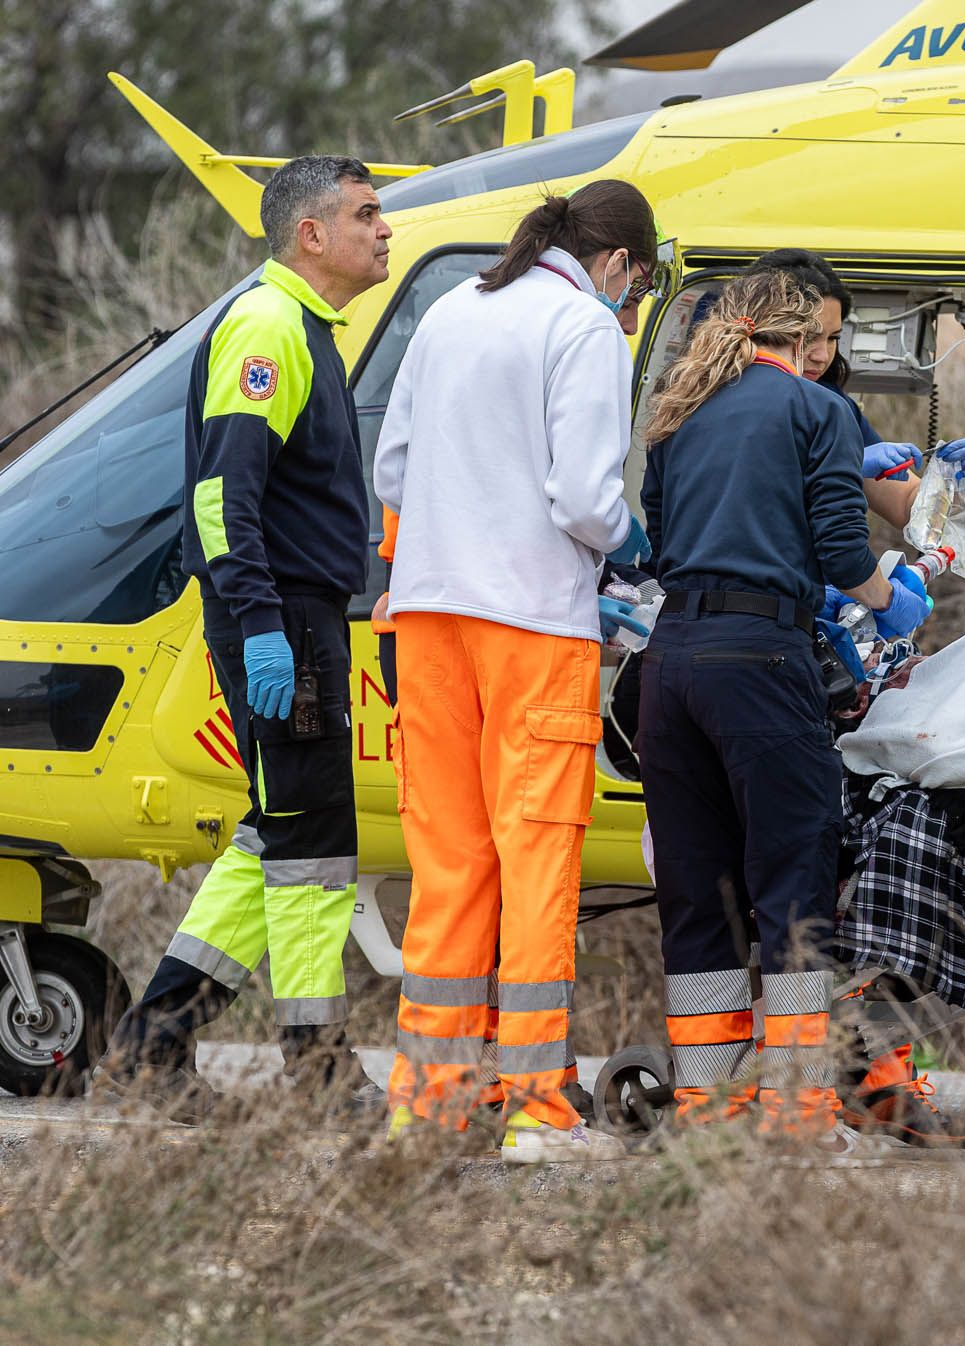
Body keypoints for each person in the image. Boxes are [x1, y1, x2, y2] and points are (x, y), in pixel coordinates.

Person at [96, 156, 392, 1122]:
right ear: (312, 235)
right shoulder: (268, 329)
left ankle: (151, 1046)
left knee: (277, 833)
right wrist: (263, 628)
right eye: (366, 214)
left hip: (296, 615)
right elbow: (224, 498)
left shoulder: (304, 326)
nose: (382, 230)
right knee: (314, 848)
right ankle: (315, 1066)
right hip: (283, 621)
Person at [372, 180, 656, 1163]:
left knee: (449, 862)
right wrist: (633, 542)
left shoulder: (453, 307)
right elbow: (584, 497)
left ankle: (429, 1096)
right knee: (538, 859)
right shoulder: (584, 327)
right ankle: (538, 1102)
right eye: (635, 289)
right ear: (619, 264)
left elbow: (394, 471)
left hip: (429, 622)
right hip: (532, 628)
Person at [636, 269, 930, 1154]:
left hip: (671, 668)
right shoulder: (817, 411)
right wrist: (889, 599)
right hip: (760, 664)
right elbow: (844, 550)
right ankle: (797, 1114)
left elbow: (655, 541)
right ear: (802, 340)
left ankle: (708, 1111)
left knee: (700, 895)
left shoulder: (682, 407)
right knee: (792, 889)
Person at [745, 246, 965, 1148]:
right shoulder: (736, 405)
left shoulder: (831, 412)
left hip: (837, 673)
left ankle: (867, 1073)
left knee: (855, 882)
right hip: (783, 660)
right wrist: (864, 591)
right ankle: (847, 1077)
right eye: (809, 334)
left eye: (832, 339)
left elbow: (917, 521)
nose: (817, 351)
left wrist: (943, 482)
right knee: (814, 881)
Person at [745, 248, 965, 528]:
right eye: (809, 337)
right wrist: (841, 467)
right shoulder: (725, 395)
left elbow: (908, 505)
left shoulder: (833, 404)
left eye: (833, 338)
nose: (822, 355)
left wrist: (949, 481)